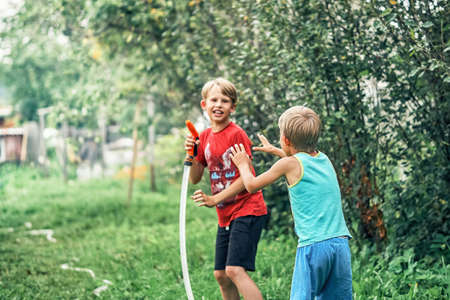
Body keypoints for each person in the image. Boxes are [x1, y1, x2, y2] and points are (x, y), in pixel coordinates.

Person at [229, 106, 352, 300]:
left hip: (313, 246)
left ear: (286, 139)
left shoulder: (287, 164)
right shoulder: (324, 159)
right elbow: (300, 161)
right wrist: (277, 151)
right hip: (340, 243)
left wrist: (243, 165)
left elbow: (251, 185)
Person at [184, 78, 268, 300]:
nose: (218, 105)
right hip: (226, 215)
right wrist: (191, 155)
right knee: (221, 274)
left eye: (225, 100)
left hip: (248, 208)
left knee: (234, 270)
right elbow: (195, 177)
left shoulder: (236, 134)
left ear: (233, 107)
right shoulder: (204, 137)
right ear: (204, 104)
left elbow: (246, 177)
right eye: (214, 100)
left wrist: (215, 198)